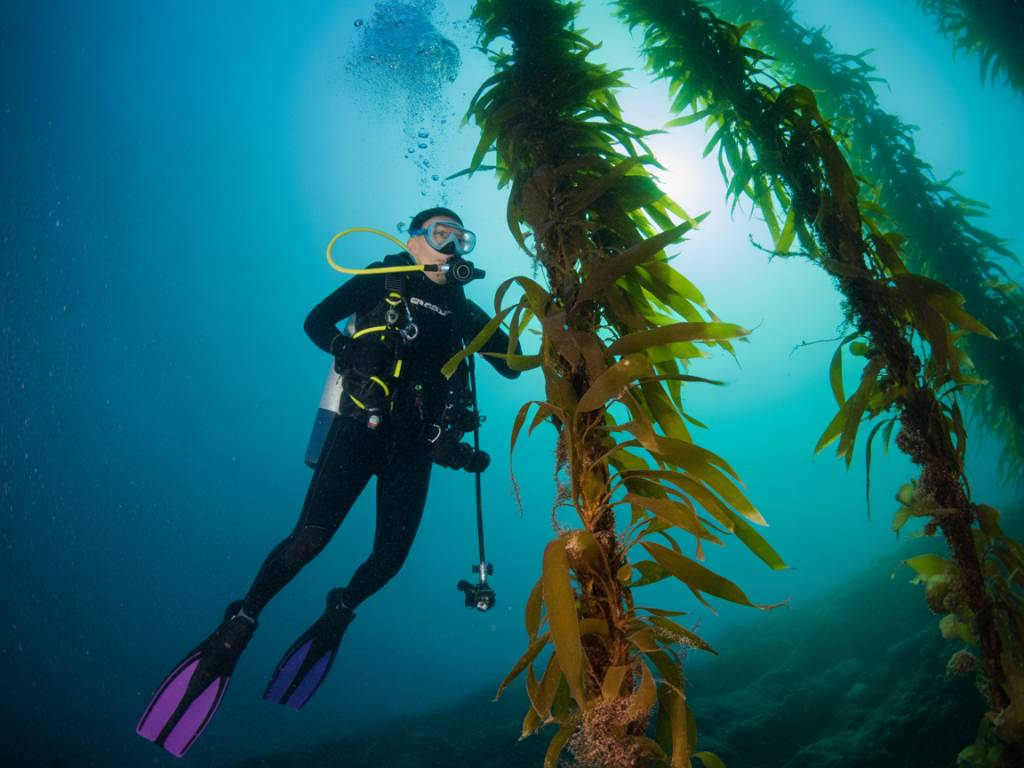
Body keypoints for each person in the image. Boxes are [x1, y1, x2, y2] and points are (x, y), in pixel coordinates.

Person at [136, 207, 521, 757]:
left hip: (414, 447)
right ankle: (242, 620)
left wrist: (546, 320)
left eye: (462, 236)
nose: (454, 244)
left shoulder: (465, 311)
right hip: (359, 427)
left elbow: (510, 364)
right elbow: (316, 322)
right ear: (413, 241)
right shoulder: (380, 277)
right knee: (311, 538)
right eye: (441, 233)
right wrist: (347, 348)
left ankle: (339, 610)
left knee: (388, 562)